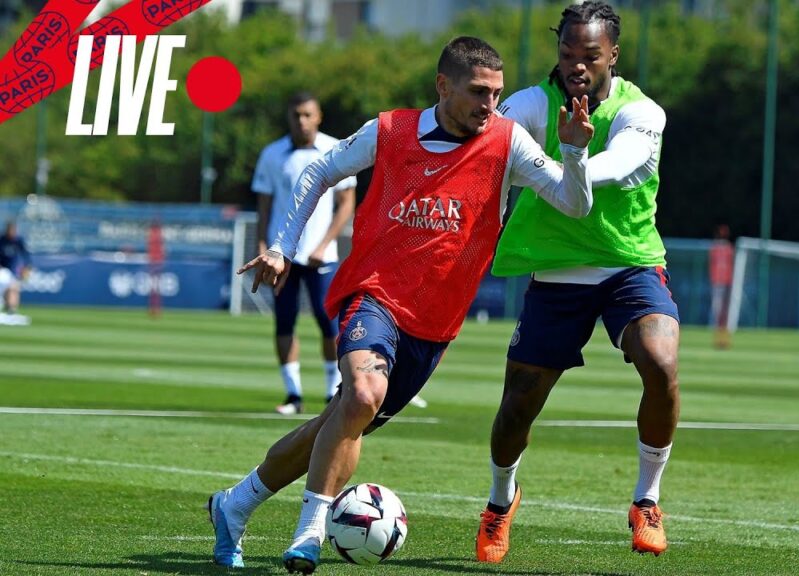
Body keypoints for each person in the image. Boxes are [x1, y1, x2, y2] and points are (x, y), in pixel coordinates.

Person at [208, 36, 595, 574]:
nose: (490, 105)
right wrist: (281, 248)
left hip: (434, 326)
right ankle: (310, 533)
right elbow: (319, 171)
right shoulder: (389, 131)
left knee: (338, 423)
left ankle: (233, 505)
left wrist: (573, 151)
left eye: (497, 94)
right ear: (443, 86)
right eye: (479, 92)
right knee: (363, 395)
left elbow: (575, 204)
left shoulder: (509, 144)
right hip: (372, 296)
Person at [477, 1, 679, 562]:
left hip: (629, 264)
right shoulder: (527, 106)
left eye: (590, 55)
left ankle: (647, 500)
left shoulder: (643, 113)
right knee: (518, 403)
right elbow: (482, 148)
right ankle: (499, 503)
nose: (577, 66)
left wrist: (565, 157)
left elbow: (617, 164)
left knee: (660, 363)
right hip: (556, 272)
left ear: (613, 54)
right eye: (567, 54)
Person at [252, 92, 357, 414]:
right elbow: (264, 207)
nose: (301, 120)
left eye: (307, 114)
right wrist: (262, 247)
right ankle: (293, 395)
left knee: (329, 325)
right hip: (282, 256)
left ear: (319, 116)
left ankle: (331, 392)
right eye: (296, 114)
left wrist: (325, 244)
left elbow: (346, 203)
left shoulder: (335, 149)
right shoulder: (273, 154)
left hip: (320, 256)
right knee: (284, 323)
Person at [708, 224, 734, 349]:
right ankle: (719, 338)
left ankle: (724, 338)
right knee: (718, 311)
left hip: (726, 283)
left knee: (724, 312)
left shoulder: (728, 248)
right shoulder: (716, 248)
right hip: (718, 284)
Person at [0, 220, 31, 315]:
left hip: (14, 268)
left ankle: (12, 309)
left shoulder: (18, 240)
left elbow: (26, 255)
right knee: (6, 287)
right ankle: (8, 306)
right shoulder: (2, 240)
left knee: (14, 288)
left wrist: (26, 267)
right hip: (2, 269)